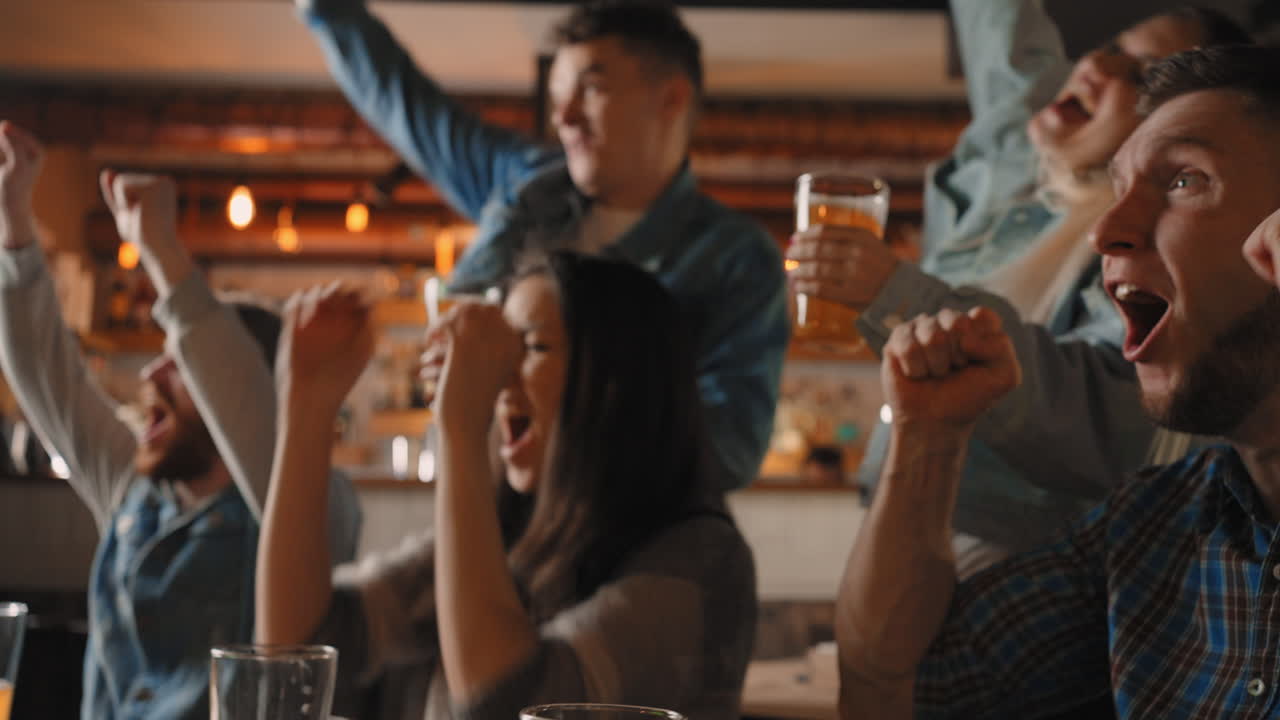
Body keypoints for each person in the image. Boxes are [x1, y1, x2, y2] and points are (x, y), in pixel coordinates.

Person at [836, 44, 1280, 718]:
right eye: (1117, 188)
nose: (1107, 229)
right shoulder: (1153, 530)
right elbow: (892, 687)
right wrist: (931, 435)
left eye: (1185, 180)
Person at [787, 1, 1251, 557]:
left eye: (1141, 75)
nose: (1096, 67)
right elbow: (999, 30)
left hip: (1002, 550)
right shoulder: (1024, 158)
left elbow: (1096, 410)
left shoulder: (1139, 251)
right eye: (1108, 49)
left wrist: (896, 295)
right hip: (889, 504)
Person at [295, 0, 789, 491]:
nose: (565, 118)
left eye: (592, 89)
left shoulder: (736, 258)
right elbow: (406, 105)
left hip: (628, 545)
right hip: (484, 517)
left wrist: (560, 380)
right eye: (559, 96)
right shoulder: (524, 182)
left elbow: (733, 448)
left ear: (671, 98)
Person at [257, 251, 757, 720]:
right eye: (499, 351)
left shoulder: (702, 558)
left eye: (533, 347)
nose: (496, 375)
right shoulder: (507, 532)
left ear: (619, 383)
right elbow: (297, 650)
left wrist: (461, 431)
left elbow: (504, 704)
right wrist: (307, 405)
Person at [0, 122, 361, 720]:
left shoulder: (303, 509)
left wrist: (162, 252)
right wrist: (14, 222)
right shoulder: (135, 488)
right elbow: (48, 378)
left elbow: (246, 404)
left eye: (182, 365)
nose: (150, 376)